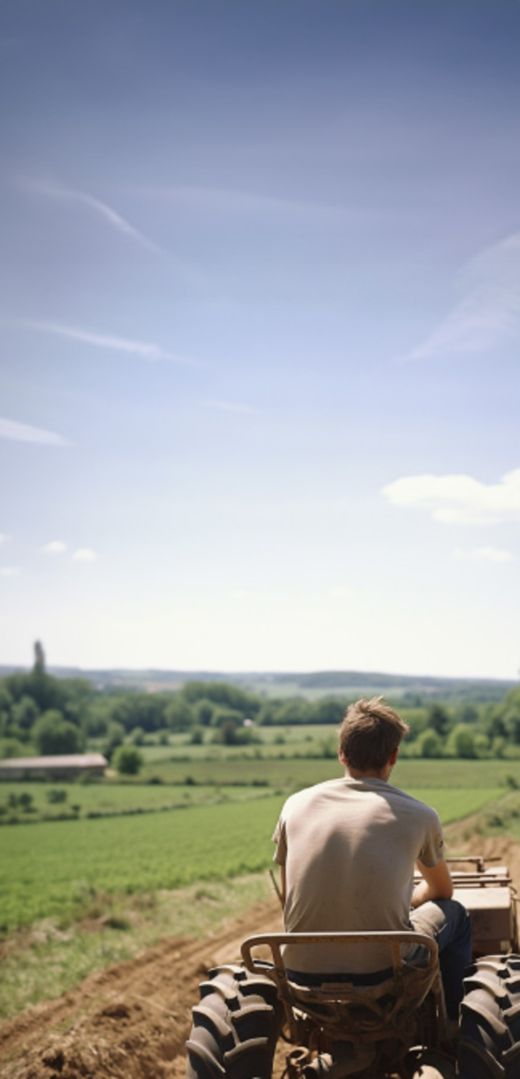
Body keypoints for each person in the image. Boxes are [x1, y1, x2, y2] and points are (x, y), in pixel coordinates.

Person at [272, 697, 471, 1019]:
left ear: (341, 754)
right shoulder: (420, 815)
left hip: (299, 971)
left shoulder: (294, 805)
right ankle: (453, 1022)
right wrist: (410, 899)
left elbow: (288, 895)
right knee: (456, 914)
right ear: (394, 756)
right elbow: (441, 891)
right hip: (384, 973)